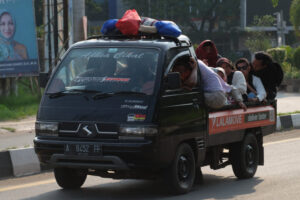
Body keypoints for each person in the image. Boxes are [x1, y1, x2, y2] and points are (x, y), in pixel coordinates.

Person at [173, 56, 246, 110]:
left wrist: (195, 67)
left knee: (190, 96)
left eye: (181, 72)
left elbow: (190, 83)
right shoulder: (210, 72)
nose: (181, 76)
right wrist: (239, 101)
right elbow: (230, 88)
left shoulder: (197, 66)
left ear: (189, 66)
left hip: (216, 98)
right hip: (217, 97)